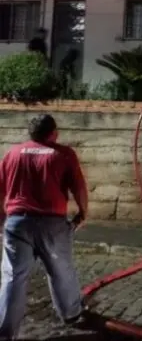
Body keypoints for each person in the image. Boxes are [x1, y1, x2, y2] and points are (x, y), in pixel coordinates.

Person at [0, 114, 89, 339]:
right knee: (60, 270)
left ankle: (6, 331)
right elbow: (78, 187)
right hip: (52, 224)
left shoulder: (12, 154)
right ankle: (71, 313)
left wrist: (2, 220)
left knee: (13, 276)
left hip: (17, 222)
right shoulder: (64, 154)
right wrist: (82, 212)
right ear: (53, 133)